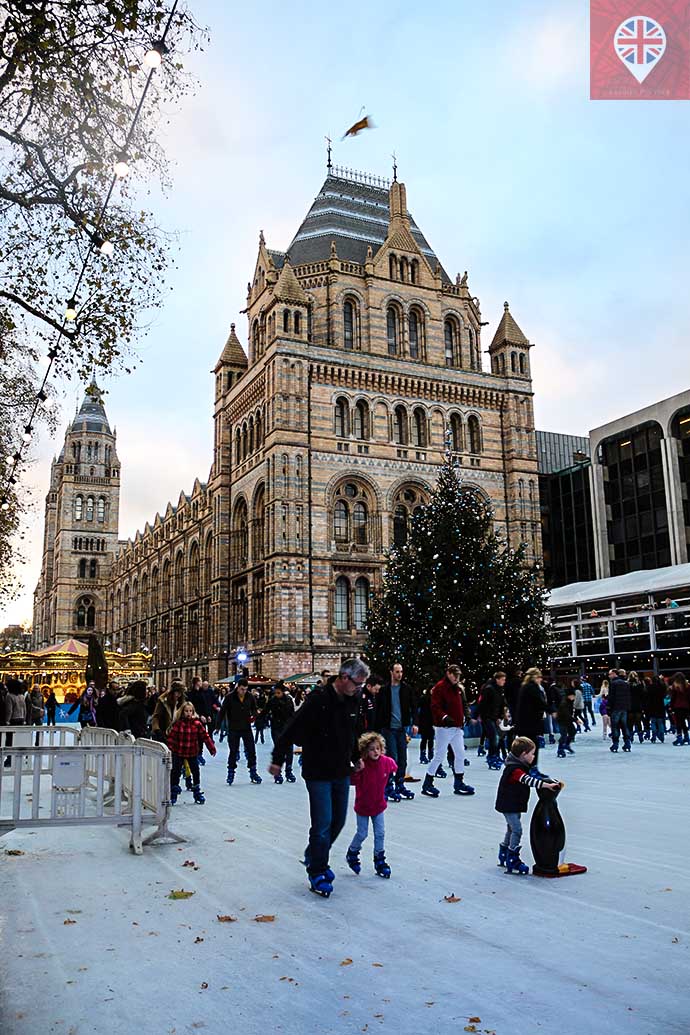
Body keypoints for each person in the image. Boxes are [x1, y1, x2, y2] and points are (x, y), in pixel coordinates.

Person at [268, 657, 369, 898]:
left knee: (338, 822)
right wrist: (278, 759)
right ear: (344, 678)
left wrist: (355, 757)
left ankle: (315, 854)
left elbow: (352, 731)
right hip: (318, 770)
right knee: (323, 823)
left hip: (341, 769)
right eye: (357, 683)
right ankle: (317, 870)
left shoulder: (354, 699)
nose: (360, 688)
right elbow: (291, 728)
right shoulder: (318, 699)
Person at [495, 736, 559, 874]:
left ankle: (504, 852)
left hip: (512, 803)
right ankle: (512, 857)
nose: (533, 756)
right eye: (532, 753)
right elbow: (528, 780)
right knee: (517, 830)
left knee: (511, 829)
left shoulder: (517, 767)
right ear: (523, 755)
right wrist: (546, 785)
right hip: (509, 804)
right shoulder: (515, 770)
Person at [345, 731, 397, 879]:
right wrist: (354, 770)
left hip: (378, 806)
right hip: (363, 806)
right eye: (372, 749)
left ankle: (379, 860)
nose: (375, 752)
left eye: (378, 748)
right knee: (362, 833)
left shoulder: (386, 762)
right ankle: (352, 853)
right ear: (365, 751)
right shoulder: (362, 766)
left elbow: (394, 766)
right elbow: (351, 780)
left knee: (380, 833)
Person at [421, 664, 474, 798]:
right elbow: (435, 706)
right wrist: (445, 717)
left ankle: (459, 782)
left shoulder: (458, 688)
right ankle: (428, 782)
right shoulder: (440, 687)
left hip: (456, 727)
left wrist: (466, 715)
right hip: (444, 728)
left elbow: (463, 704)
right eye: (454, 675)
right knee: (440, 755)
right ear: (448, 673)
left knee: (460, 754)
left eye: (458, 675)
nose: (457, 678)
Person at [376, 662, 417, 802]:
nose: (400, 674)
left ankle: (399, 784)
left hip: (401, 729)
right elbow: (378, 710)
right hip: (388, 729)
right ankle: (388, 786)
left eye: (401, 671)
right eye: (397, 671)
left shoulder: (406, 689)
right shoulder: (384, 690)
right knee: (392, 757)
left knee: (402, 759)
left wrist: (415, 723)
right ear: (391, 672)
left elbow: (413, 706)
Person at [167, 701, 217, 804]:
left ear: (193, 712)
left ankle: (197, 790)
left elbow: (205, 736)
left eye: (190, 711)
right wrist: (169, 749)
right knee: (175, 772)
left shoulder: (197, 724)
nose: (188, 713)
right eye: (186, 711)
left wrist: (211, 747)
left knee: (195, 771)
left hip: (192, 752)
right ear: (182, 712)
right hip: (179, 752)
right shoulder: (178, 723)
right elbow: (172, 738)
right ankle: (173, 791)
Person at [219, 679, 262, 785]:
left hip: (246, 728)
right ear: (237, 688)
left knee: (251, 750)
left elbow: (254, 709)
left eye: (246, 689)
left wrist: (255, 715)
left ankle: (253, 771)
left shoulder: (249, 697)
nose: (244, 691)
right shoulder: (230, 697)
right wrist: (217, 725)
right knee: (233, 751)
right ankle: (231, 772)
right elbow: (223, 711)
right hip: (234, 728)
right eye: (242, 689)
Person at [264, 683, 296, 783]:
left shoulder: (289, 700)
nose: (277, 694)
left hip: (287, 728)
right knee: (279, 748)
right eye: (275, 692)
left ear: (282, 692)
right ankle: (278, 773)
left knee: (289, 750)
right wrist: (258, 718)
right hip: (276, 728)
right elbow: (265, 711)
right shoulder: (272, 700)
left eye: (278, 692)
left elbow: (292, 714)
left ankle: (289, 771)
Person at [514, 667, 546, 764]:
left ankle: (529, 767)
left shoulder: (527, 687)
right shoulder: (531, 687)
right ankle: (530, 768)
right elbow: (540, 703)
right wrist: (552, 710)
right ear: (534, 677)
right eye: (539, 676)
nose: (541, 679)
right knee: (531, 746)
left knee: (530, 746)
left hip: (526, 723)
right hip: (527, 723)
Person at [478, 671, 507, 769]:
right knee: (493, 737)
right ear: (497, 679)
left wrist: (499, 717)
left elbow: (500, 704)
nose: (504, 681)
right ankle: (492, 757)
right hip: (487, 717)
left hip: (494, 717)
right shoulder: (489, 689)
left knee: (496, 737)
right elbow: (483, 704)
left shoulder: (500, 690)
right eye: (502, 679)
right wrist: (477, 716)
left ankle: (494, 755)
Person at [3, 678, 27, 766]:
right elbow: (24, 709)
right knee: (18, 740)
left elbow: (9, 710)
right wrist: (24, 719)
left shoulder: (9, 696)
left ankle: (9, 759)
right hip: (20, 719)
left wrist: (7, 720)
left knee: (9, 741)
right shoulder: (21, 696)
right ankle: (18, 758)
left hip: (13, 720)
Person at [608, 668, 632, 753]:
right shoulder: (626, 684)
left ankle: (615, 744)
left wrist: (608, 708)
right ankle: (627, 743)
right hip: (624, 708)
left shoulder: (613, 684)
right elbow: (628, 697)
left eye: (610, 674)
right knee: (624, 726)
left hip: (616, 708)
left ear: (615, 674)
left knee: (615, 726)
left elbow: (611, 697)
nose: (609, 676)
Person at [416, 686, 435, 765]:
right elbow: (417, 706)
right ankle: (423, 755)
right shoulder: (423, 698)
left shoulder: (435, 699)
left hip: (432, 722)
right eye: (432, 689)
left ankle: (431, 754)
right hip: (424, 721)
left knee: (431, 739)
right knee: (424, 739)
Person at [670, 672, 690, 746]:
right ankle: (687, 737)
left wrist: (671, 707)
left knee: (678, 722)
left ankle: (679, 738)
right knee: (683, 722)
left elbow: (673, 698)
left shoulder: (675, 686)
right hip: (686, 707)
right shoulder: (687, 685)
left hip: (677, 706)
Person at [645, 675, 667, 744]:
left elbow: (647, 697)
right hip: (660, 706)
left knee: (653, 721)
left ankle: (654, 734)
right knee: (660, 722)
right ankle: (662, 735)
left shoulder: (650, 687)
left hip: (652, 706)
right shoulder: (662, 687)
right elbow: (664, 695)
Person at [556, 686, 577, 757]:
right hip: (562, 720)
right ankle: (560, 749)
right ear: (569, 696)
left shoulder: (570, 701)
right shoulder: (564, 703)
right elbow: (566, 714)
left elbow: (570, 713)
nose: (574, 697)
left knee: (573, 732)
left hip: (568, 720)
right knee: (564, 735)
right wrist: (575, 720)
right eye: (573, 696)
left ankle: (566, 745)